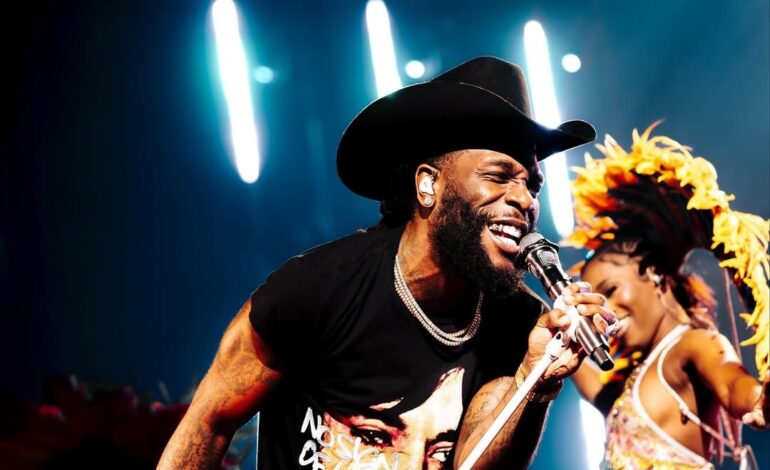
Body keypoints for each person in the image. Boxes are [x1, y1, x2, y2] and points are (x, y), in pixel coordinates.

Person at [158, 56, 616, 469]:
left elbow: (473, 463)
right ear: (429, 186)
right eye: (499, 176)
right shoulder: (316, 290)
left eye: (532, 185)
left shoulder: (519, 322)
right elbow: (209, 424)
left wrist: (533, 382)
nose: (525, 199)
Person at [566, 124, 770, 469]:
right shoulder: (624, 387)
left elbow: (733, 384)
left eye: (611, 291)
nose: (605, 311)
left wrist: (757, 399)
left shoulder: (692, 344)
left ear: (653, 274)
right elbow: (587, 379)